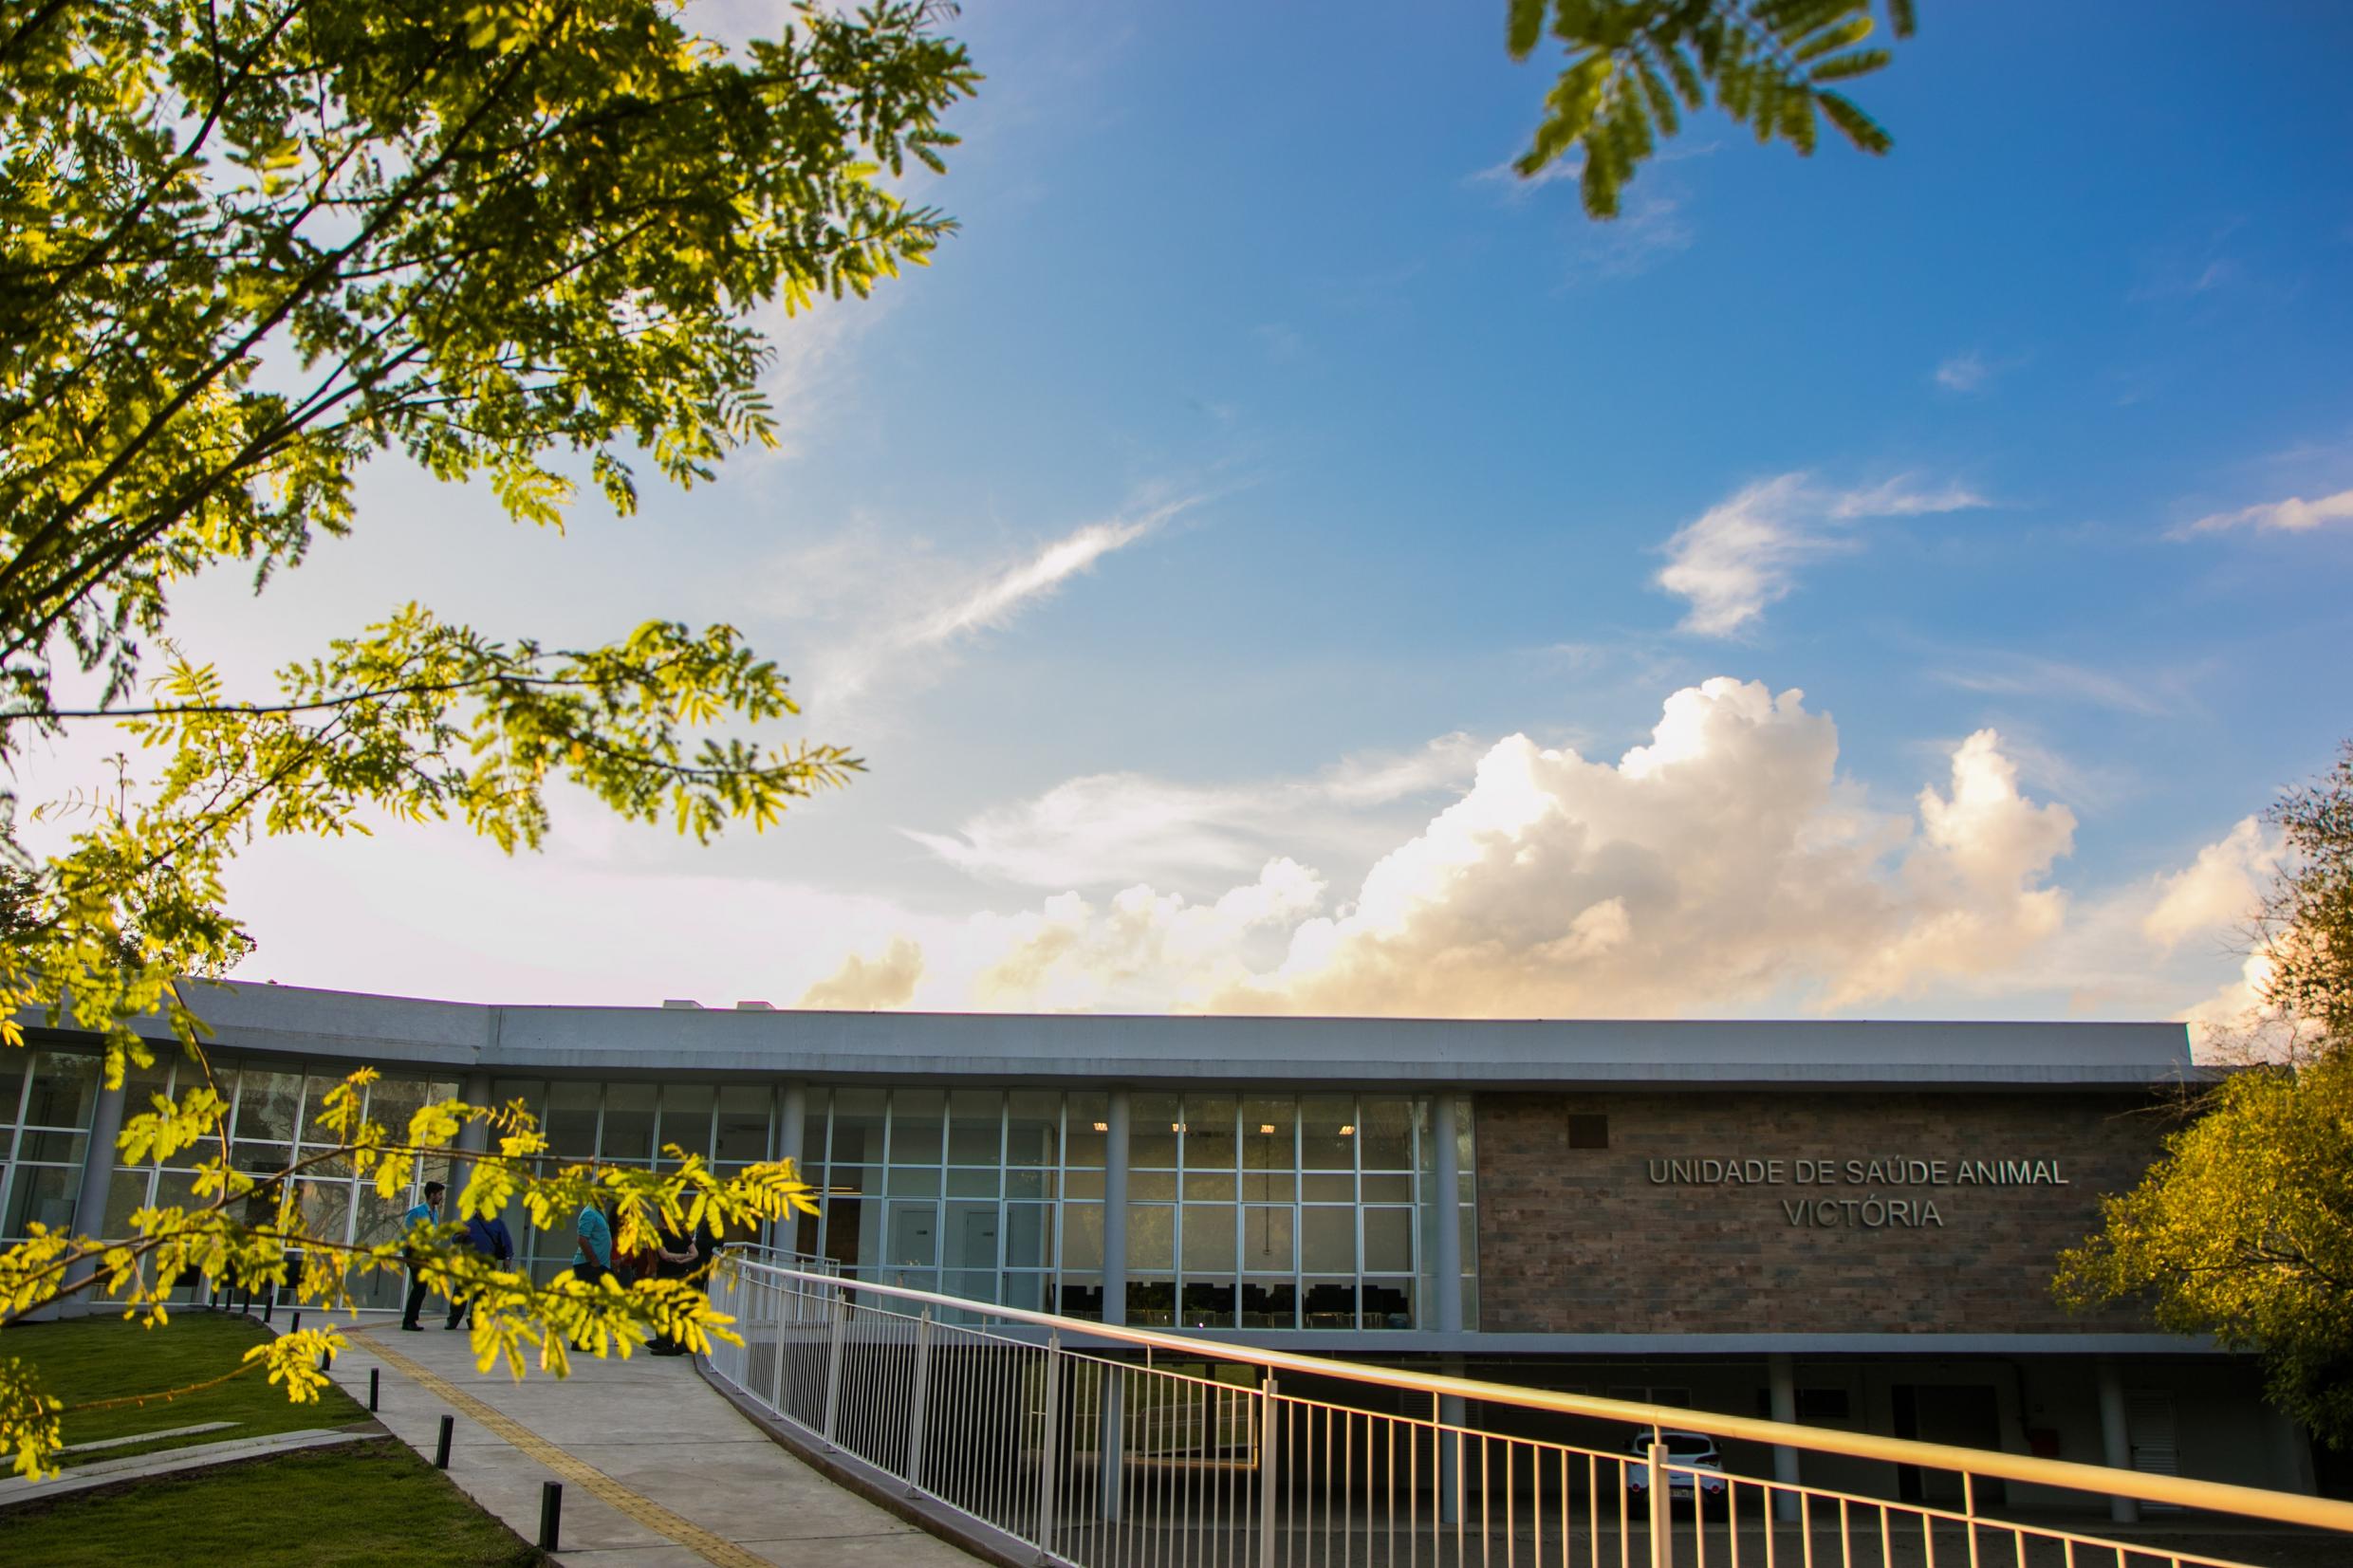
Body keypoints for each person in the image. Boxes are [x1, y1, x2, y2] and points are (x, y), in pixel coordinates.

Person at [444, 1208, 515, 1331]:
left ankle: (475, 1321)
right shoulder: (467, 1223)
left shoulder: (498, 1223)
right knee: (461, 1292)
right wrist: (462, 1235)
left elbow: (507, 1242)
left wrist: (508, 1258)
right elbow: (454, 1239)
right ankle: (453, 1320)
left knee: (482, 1294)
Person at [398, 1180, 446, 1331]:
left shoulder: (435, 1213)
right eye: (439, 1194)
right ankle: (408, 1321)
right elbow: (405, 1234)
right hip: (415, 1252)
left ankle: (412, 1319)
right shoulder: (417, 1212)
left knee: (422, 1287)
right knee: (419, 1286)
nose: (441, 1197)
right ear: (431, 1195)